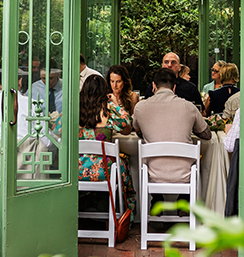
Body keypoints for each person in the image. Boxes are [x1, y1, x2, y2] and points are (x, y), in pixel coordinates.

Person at [133, 68, 210, 183]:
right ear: (174, 87)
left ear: (154, 86)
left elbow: (138, 130)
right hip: (185, 174)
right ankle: (184, 199)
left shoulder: (140, 107)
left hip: (153, 174)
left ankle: (156, 199)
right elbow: (207, 135)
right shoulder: (188, 107)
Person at [78, 75, 135, 212]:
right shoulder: (109, 110)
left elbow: (57, 128)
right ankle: (118, 210)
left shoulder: (74, 110)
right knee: (122, 163)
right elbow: (127, 125)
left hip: (77, 170)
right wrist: (115, 103)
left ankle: (86, 202)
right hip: (105, 171)